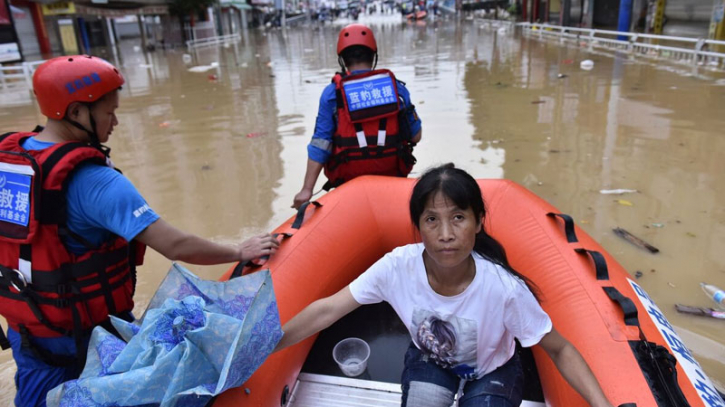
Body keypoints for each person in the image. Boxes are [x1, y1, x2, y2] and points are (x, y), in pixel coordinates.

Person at [0, 55, 279, 407]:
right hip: (88, 340)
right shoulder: (94, 181)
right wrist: (239, 251)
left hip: (28, 333)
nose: (115, 121)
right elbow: (175, 244)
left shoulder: (10, 161)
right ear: (75, 113)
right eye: (108, 112)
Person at [276, 163, 614, 407]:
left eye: (458, 218)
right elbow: (329, 309)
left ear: (479, 221)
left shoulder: (503, 288)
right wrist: (267, 344)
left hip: (494, 370)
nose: (446, 234)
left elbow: (561, 348)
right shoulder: (398, 268)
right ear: (419, 226)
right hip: (431, 358)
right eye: (432, 220)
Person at [292, 23, 422, 209]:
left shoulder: (332, 94)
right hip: (393, 185)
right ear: (373, 56)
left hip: (348, 190)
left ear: (342, 60)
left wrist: (307, 189)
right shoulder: (397, 89)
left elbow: (320, 144)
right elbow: (416, 136)